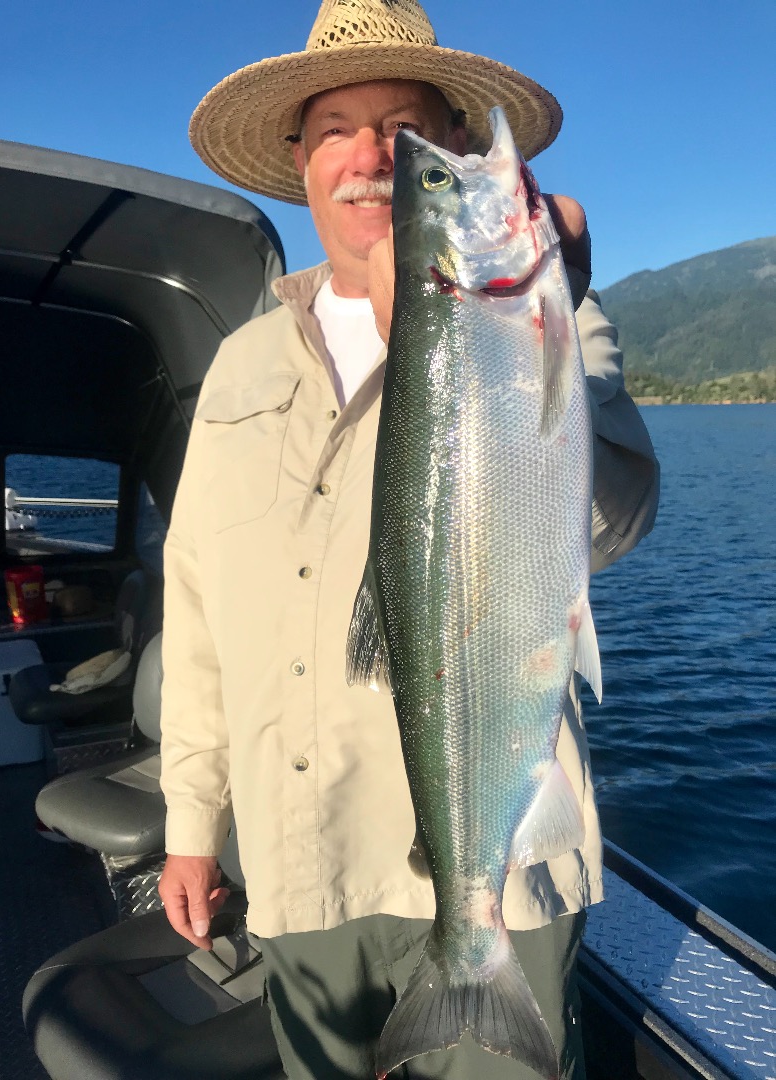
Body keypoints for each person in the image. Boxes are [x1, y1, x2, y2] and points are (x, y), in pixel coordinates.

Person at [158, 2, 660, 1078]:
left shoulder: (553, 309)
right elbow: (197, 605)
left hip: (499, 873)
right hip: (301, 866)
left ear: (459, 145)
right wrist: (192, 821)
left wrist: (521, 311)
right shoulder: (242, 370)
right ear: (300, 161)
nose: (374, 154)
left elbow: (613, 527)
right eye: (337, 123)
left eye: (409, 128)